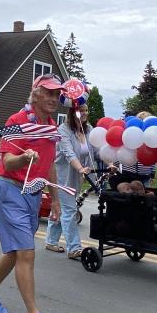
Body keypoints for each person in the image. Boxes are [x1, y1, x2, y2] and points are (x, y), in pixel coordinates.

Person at [0, 73, 64, 313]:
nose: (53, 98)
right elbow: (7, 162)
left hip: (33, 192)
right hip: (9, 189)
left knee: (16, 252)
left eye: (56, 94)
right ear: (35, 93)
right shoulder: (17, 121)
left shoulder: (51, 127)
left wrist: (56, 199)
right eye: (48, 93)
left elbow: (49, 165)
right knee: (26, 252)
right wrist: (24, 157)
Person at [45, 104, 93, 259]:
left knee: (59, 209)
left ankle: (51, 241)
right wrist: (80, 168)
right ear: (73, 113)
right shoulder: (63, 130)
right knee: (70, 211)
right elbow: (68, 153)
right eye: (81, 111)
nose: (85, 113)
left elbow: (98, 150)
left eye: (86, 110)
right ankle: (74, 248)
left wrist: (110, 163)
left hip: (76, 177)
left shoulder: (89, 130)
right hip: (61, 176)